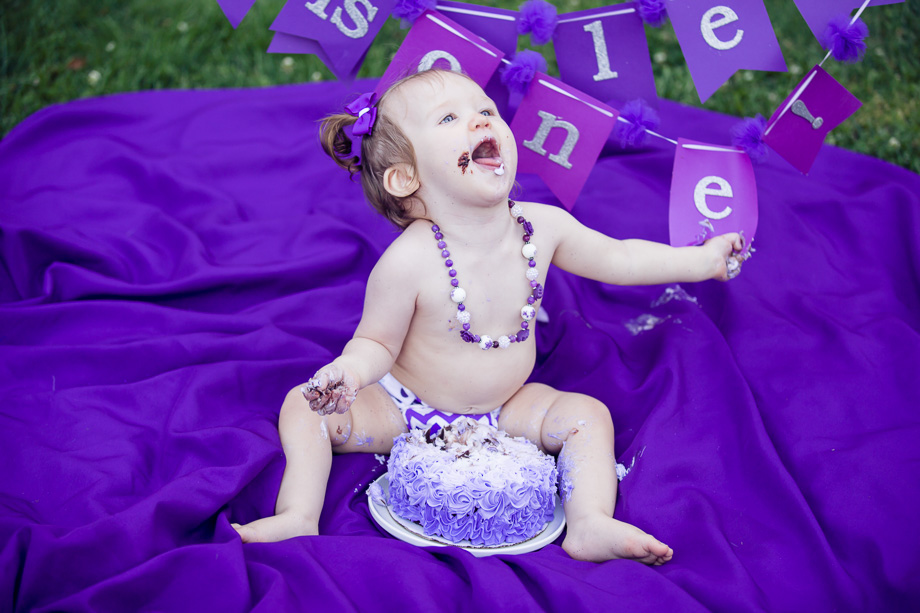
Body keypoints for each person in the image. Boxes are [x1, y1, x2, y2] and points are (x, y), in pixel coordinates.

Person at [233, 68, 746, 564]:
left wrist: (700, 262)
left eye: (486, 110)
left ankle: (589, 522)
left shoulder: (541, 228)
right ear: (405, 177)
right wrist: (349, 373)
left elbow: (620, 258)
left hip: (506, 410)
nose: (481, 121)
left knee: (589, 417)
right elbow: (377, 344)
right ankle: (298, 512)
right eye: (449, 119)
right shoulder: (408, 262)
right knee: (304, 408)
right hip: (406, 409)